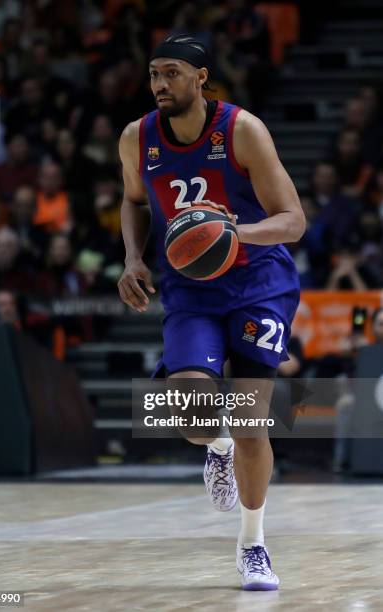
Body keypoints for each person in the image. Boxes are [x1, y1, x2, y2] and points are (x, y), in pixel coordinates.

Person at [117, 35, 305, 590]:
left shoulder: (241, 130)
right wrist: (132, 257)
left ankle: (253, 545)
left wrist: (227, 234)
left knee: (252, 424)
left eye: (171, 73)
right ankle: (216, 446)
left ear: (201, 79)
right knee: (191, 416)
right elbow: (132, 201)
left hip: (257, 284)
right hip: (191, 290)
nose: (159, 85)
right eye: (153, 74)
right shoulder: (138, 138)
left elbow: (292, 219)